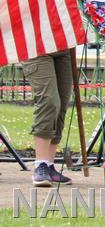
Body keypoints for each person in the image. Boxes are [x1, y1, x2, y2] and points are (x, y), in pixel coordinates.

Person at [23, 49, 73, 187]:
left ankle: (49, 166)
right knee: (49, 102)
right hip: (36, 45)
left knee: (61, 104)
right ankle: (41, 165)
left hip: (63, 46)